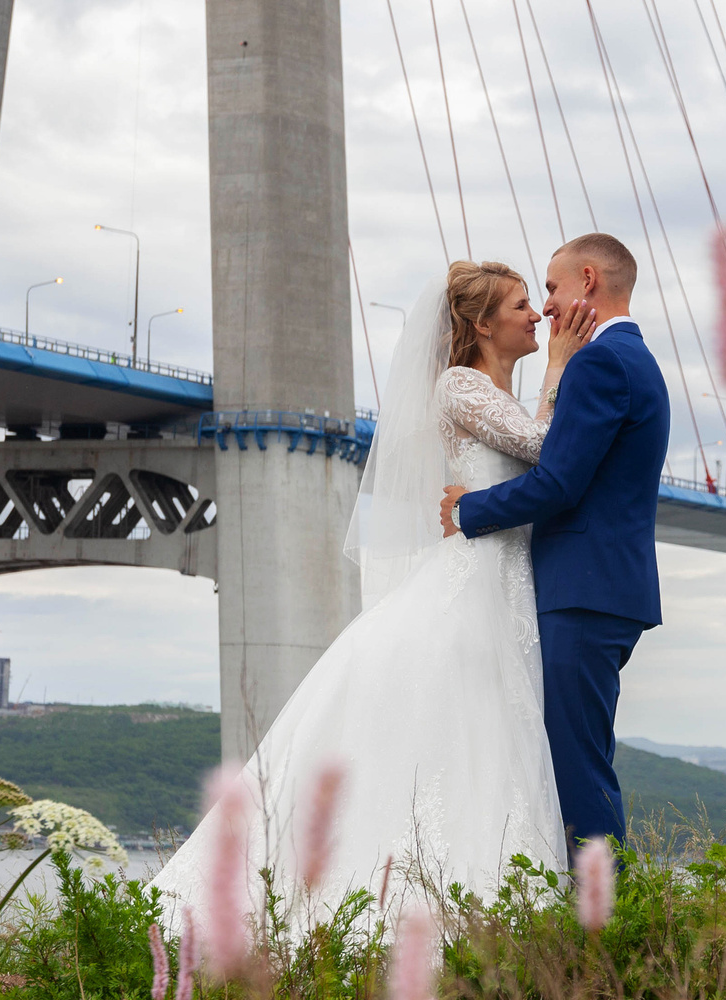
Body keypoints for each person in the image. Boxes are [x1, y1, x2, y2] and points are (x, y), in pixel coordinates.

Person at [155, 259, 596, 913]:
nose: (537, 316)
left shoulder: (496, 396)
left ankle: (496, 897)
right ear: (481, 324)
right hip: (473, 586)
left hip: (508, 583)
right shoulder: (459, 385)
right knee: (473, 729)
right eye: (521, 305)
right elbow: (544, 446)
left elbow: (533, 455)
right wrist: (560, 363)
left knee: (494, 742)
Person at [442, 232, 671, 849]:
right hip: (600, 589)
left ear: (588, 281)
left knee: (575, 767)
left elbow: (559, 481)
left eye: (549, 288)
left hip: (582, 593)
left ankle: (602, 904)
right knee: (571, 757)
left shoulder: (599, 362)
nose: (544, 307)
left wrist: (467, 510)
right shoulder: (636, 359)